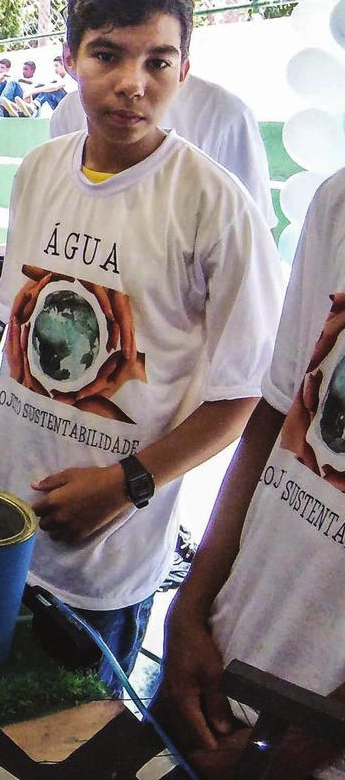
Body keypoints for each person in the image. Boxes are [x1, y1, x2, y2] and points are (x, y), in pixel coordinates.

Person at [0, 0, 283, 692]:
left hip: (102, 561)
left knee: (67, 740)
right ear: (69, 59)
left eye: (157, 61)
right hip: (4, 526)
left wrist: (124, 485)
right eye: (107, 55)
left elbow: (243, 392)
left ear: (184, 70)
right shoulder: (41, 170)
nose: (132, 83)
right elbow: (18, 337)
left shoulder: (213, 204)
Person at [154, 170, 345, 780]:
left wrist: (308, 743)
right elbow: (278, 406)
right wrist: (192, 608)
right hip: (219, 662)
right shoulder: (338, 202)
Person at [49, 0, 276, 229]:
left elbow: (253, 236)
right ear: (70, 56)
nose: (132, 87)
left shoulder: (226, 115)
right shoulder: (65, 117)